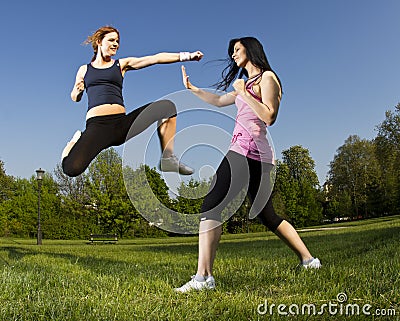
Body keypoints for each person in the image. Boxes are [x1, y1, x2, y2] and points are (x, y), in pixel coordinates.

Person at [175, 37, 321, 293]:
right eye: (232, 51)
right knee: (269, 216)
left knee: (211, 205)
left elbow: (269, 115)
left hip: (252, 153)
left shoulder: (267, 78)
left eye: (237, 50)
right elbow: (220, 101)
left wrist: (243, 92)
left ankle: (203, 278)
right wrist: (192, 88)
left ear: (251, 50)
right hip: (246, 153)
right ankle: (309, 261)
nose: (233, 54)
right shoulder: (246, 83)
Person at [61, 26, 203, 177]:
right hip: (98, 127)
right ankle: (72, 144)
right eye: (111, 40)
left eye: (117, 41)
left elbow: (154, 58)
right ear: (99, 42)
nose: (116, 44)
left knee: (167, 107)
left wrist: (188, 56)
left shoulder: (121, 65)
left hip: (122, 124)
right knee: (71, 169)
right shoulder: (84, 69)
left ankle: (167, 158)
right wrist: (78, 91)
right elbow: (74, 97)